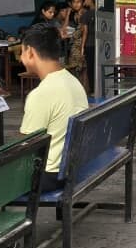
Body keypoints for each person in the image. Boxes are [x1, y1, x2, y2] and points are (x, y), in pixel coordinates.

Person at [18, 24, 89, 192]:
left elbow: (25, 145)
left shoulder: (41, 94)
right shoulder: (72, 81)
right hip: (72, 167)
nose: (21, 57)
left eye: (22, 52)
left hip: (49, 175)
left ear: (30, 52)